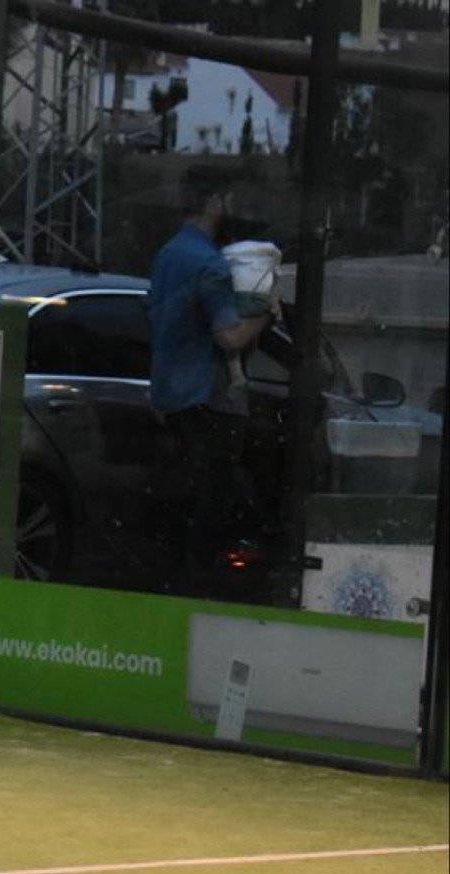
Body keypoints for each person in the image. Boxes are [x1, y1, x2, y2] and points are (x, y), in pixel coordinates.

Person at [148, 165, 271, 594]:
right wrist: (267, 310)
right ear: (215, 201)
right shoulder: (210, 263)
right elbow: (230, 336)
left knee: (182, 501)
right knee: (213, 500)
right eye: (228, 199)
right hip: (209, 400)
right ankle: (202, 583)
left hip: (170, 395)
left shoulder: (168, 255)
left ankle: (175, 579)